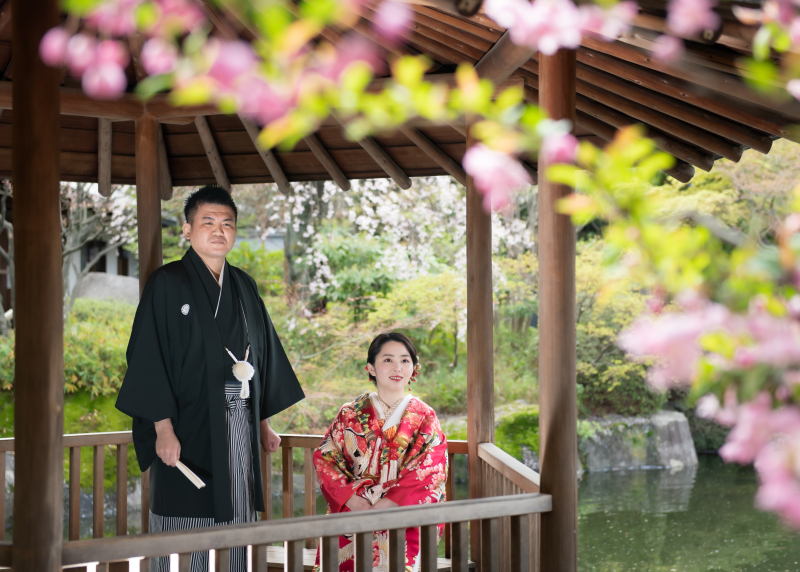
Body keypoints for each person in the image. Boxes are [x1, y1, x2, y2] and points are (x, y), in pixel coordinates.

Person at [115, 185, 304, 572]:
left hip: (240, 421)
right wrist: (162, 428)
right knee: (186, 515)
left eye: (227, 223)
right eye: (208, 222)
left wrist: (264, 421)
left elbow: (261, 356)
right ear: (187, 230)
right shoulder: (166, 283)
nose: (219, 230)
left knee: (237, 514)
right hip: (189, 423)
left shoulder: (244, 286)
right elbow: (149, 357)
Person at [313, 332, 448, 572]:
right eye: (388, 360)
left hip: (403, 513)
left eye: (405, 360)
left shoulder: (424, 415)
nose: (397, 367)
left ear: (414, 369)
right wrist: (354, 501)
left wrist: (388, 504)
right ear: (371, 368)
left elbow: (430, 469)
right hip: (355, 508)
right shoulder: (350, 413)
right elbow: (327, 458)